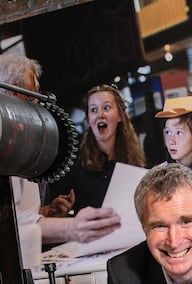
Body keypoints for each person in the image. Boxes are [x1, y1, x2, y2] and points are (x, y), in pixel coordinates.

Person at [0, 55, 122, 265]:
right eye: (32, 96)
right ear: (12, 92)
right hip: (9, 262)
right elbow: (8, 219)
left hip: (31, 256)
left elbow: (21, 210)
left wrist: (45, 212)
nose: (38, 102)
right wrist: (72, 228)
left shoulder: (20, 141)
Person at [44, 84, 147, 225]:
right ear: (88, 119)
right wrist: (59, 211)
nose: (100, 115)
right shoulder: (74, 165)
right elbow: (55, 214)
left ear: (120, 116)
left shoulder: (134, 163)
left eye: (106, 108)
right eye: (93, 110)